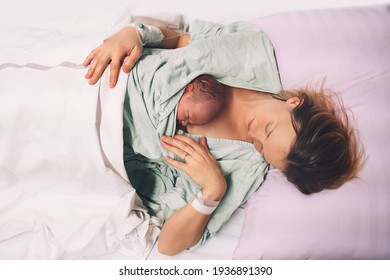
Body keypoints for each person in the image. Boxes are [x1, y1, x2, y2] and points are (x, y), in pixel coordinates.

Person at [83, 20, 364, 256]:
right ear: (294, 103)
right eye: (268, 129)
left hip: (93, 146)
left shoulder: (244, 169)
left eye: (260, 146)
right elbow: (177, 39)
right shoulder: (252, 50)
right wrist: (134, 33)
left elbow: (168, 245)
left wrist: (212, 192)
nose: (253, 134)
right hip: (106, 75)